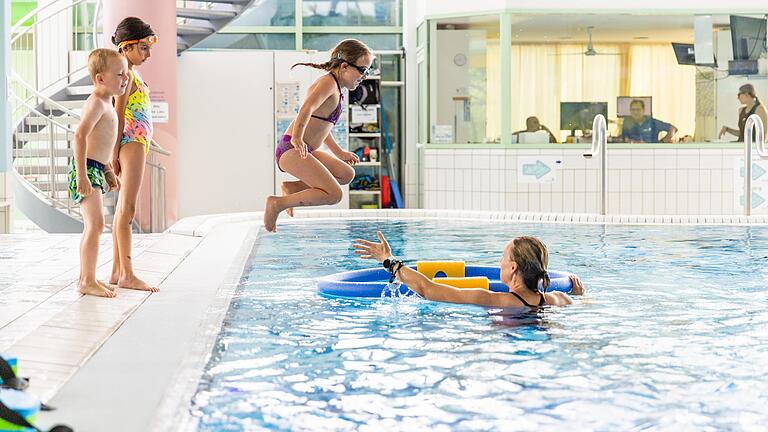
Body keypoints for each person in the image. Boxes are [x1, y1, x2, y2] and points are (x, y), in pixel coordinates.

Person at [264, 39, 371, 232]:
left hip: (305, 149)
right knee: (334, 195)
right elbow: (306, 108)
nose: (365, 76)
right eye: (363, 70)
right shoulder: (327, 83)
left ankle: (293, 188)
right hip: (291, 148)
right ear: (345, 66)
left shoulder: (337, 89)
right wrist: (297, 137)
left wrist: (339, 153)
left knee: (346, 174)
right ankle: (277, 204)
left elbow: (323, 127)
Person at [353, 231, 584, 308]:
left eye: (503, 258)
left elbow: (428, 289)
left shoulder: (491, 299)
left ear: (513, 268)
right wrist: (578, 293)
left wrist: (388, 260)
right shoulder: (559, 298)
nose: (499, 263)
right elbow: (582, 302)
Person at [69, 48, 129, 297]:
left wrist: (107, 169)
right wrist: (83, 174)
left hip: (95, 167)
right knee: (95, 225)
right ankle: (86, 281)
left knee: (95, 225)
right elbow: (80, 136)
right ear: (100, 78)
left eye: (126, 74)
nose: (125, 79)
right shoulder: (96, 102)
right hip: (86, 168)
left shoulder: (107, 102)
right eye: (119, 74)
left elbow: (100, 142)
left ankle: (88, 278)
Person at [109, 17, 159, 292]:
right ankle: (128, 274)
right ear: (126, 47)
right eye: (144, 47)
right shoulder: (125, 74)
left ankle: (118, 271)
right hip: (131, 142)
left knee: (122, 209)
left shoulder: (129, 71)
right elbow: (117, 113)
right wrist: (114, 153)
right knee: (128, 209)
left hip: (135, 141)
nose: (148, 54)